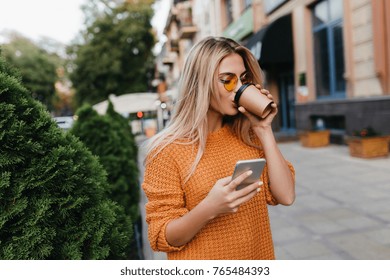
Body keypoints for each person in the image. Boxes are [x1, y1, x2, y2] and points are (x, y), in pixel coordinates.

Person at [142, 36, 295, 260]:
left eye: (243, 79)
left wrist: (264, 130)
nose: (239, 89)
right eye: (228, 80)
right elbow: (160, 237)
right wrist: (210, 207)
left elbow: (286, 195)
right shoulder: (166, 150)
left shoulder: (248, 134)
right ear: (201, 83)